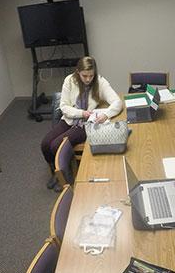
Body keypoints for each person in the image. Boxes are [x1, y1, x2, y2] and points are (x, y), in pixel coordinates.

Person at [41, 56, 122, 190]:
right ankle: (55, 171)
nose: (88, 79)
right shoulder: (69, 80)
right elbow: (64, 107)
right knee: (45, 144)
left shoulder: (100, 81)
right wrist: (81, 113)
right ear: (78, 72)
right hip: (71, 118)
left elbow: (117, 102)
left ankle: (65, 176)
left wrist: (105, 114)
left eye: (91, 75)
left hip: (86, 124)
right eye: (85, 76)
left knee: (56, 145)